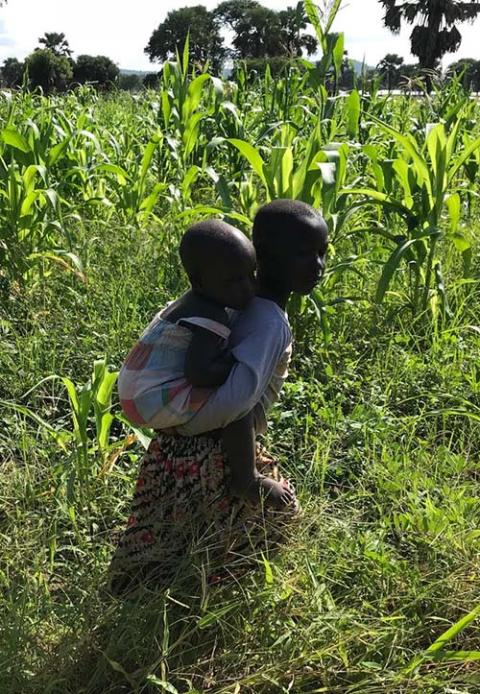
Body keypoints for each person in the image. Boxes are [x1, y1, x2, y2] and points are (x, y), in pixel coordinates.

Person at [109, 200, 328, 593]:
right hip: (212, 450)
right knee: (236, 538)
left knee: (165, 538)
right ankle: (202, 607)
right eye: (302, 254)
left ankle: (149, 595)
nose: (317, 266)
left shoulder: (231, 294)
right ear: (263, 251)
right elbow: (235, 404)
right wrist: (197, 431)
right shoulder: (267, 322)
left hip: (183, 444)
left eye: (322, 253)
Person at [118, 218, 293, 509]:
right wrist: (233, 368)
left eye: (251, 275)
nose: (248, 288)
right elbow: (199, 373)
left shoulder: (194, 302)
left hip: (137, 389)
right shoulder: (211, 316)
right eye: (233, 281)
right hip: (150, 397)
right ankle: (246, 479)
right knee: (239, 405)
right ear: (199, 282)